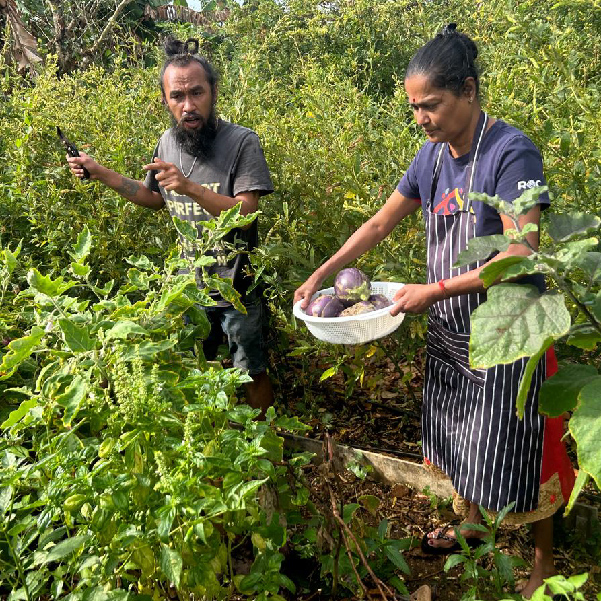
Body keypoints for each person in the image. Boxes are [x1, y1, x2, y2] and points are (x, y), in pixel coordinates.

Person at [294, 24, 574, 598]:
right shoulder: (431, 156)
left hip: (510, 329)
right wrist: (323, 271)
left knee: (527, 446)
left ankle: (542, 568)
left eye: (432, 105)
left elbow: (523, 250)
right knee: (458, 438)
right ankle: (470, 525)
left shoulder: (510, 150)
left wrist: (433, 289)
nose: (422, 118)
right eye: (415, 108)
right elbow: (378, 222)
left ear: (468, 91)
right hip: (451, 329)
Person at [67, 37, 275, 417]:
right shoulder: (167, 142)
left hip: (237, 288)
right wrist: (99, 172)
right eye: (177, 96)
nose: (188, 105)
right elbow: (153, 198)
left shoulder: (242, 142)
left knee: (251, 372)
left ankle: (265, 445)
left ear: (213, 92)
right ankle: (218, 440)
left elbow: (245, 213)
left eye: (197, 93)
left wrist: (190, 187)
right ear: (165, 100)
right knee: (195, 370)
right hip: (188, 288)